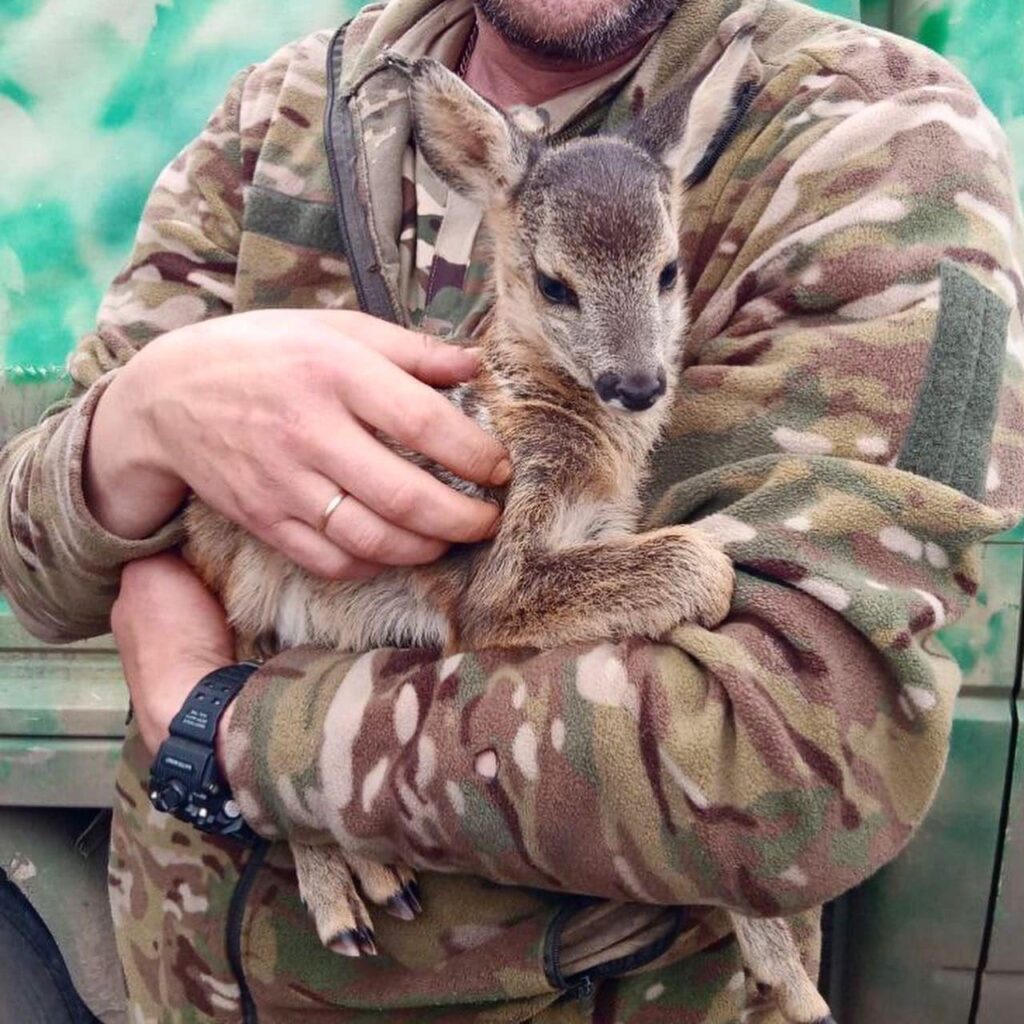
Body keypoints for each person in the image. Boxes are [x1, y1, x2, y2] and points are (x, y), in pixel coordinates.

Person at [2, 0, 1022, 1020]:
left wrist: (219, 725)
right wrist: (137, 420)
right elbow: (32, 564)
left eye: (665, 285)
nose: (636, 368)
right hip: (186, 979)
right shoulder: (279, 111)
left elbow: (800, 772)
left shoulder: (873, 138)